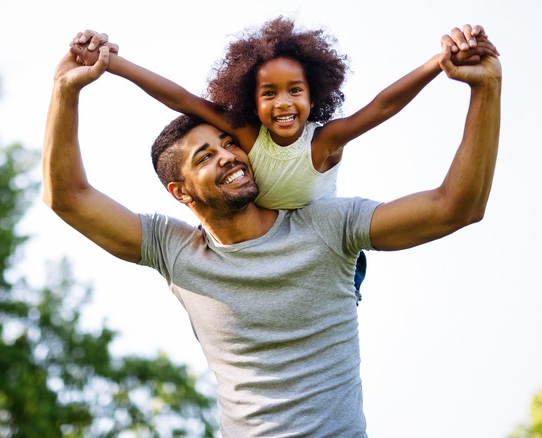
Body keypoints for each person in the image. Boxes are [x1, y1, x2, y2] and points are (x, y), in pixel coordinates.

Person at [42, 24, 501, 437]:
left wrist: (486, 89)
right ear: (180, 193)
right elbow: (69, 197)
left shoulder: (328, 226)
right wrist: (65, 90)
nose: (227, 155)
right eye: (204, 157)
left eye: (227, 143)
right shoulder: (176, 250)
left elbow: (455, 207)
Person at [68, 19, 499, 303]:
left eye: (295, 90)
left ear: (314, 96)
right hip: (261, 247)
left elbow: (381, 106)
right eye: (268, 94)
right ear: (250, 102)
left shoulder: (323, 143)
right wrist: (115, 65)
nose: (283, 103)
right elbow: (180, 97)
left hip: (322, 252)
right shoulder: (244, 137)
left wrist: (435, 65)